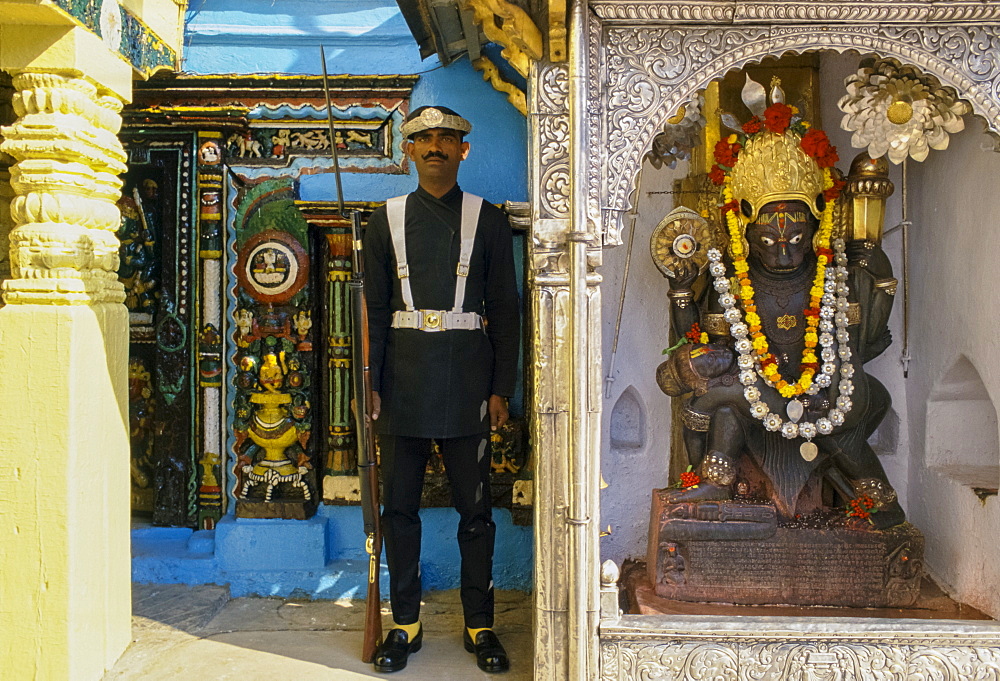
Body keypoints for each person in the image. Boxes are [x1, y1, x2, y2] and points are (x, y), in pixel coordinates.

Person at [659, 83, 904, 529]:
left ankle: (880, 505)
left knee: (833, 426)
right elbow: (707, 348)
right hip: (758, 394)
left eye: (795, 239)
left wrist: (881, 277)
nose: (784, 252)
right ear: (746, 235)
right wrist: (681, 291)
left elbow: (861, 345)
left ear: (815, 229)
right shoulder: (733, 283)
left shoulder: (832, 277)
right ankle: (712, 481)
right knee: (719, 398)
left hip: (831, 392)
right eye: (769, 241)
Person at [363, 106, 520, 674]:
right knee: (398, 511)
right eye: (423, 138)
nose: (435, 147)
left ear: (463, 150)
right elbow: (375, 312)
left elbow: (506, 309)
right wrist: (371, 387)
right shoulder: (384, 220)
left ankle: (481, 624)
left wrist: (503, 387)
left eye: (447, 138)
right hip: (400, 387)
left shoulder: (490, 221)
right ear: (408, 152)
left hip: (467, 386)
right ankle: (406, 622)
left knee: (476, 512)